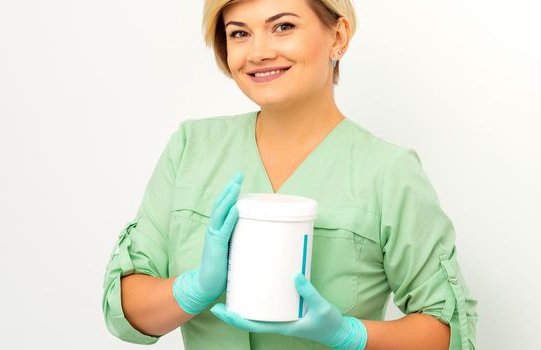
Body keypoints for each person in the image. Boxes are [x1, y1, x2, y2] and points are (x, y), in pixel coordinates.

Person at [101, 0, 478, 348]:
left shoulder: (388, 173)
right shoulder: (190, 148)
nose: (259, 52)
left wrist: (350, 334)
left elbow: (449, 332)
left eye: (282, 27)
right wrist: (193, 288)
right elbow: (123, 309)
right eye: (239, 33)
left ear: (339, 35)